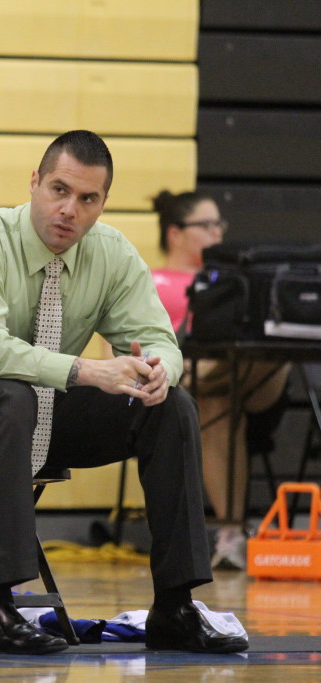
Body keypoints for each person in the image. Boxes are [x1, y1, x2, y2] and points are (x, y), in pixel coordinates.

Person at [0, 130, 248, 655]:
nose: (70, 209)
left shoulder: (110, 253)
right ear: (34, 183)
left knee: (170, 406)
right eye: (59, 190)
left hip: (45, 405)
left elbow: (159, 337)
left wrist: (162, 370)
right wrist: (89, 371)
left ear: (102, 203)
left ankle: (175, 606)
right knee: (9, 394)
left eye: (87, 198)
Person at [152, 190, 289, 570]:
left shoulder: (234, 282)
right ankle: (231, 534)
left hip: (255, 386)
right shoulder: (148, 280)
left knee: (269, 344)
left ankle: (210, 370)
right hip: (181, 392)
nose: (218, 234)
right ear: (175, 234)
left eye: (219, 225)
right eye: (207, 225)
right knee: (214, 403)